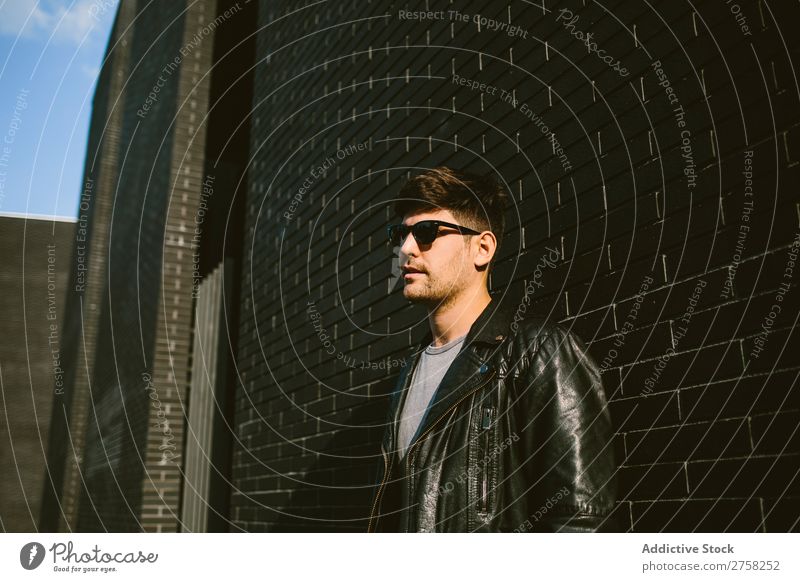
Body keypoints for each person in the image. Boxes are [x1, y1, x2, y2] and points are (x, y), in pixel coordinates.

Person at [367, 166, 617, 532]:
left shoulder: (538, 354)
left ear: (482, 248)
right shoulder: (409, 375)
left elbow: (580, 522)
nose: (405, 249)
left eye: (426, 233)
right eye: (400, 233)